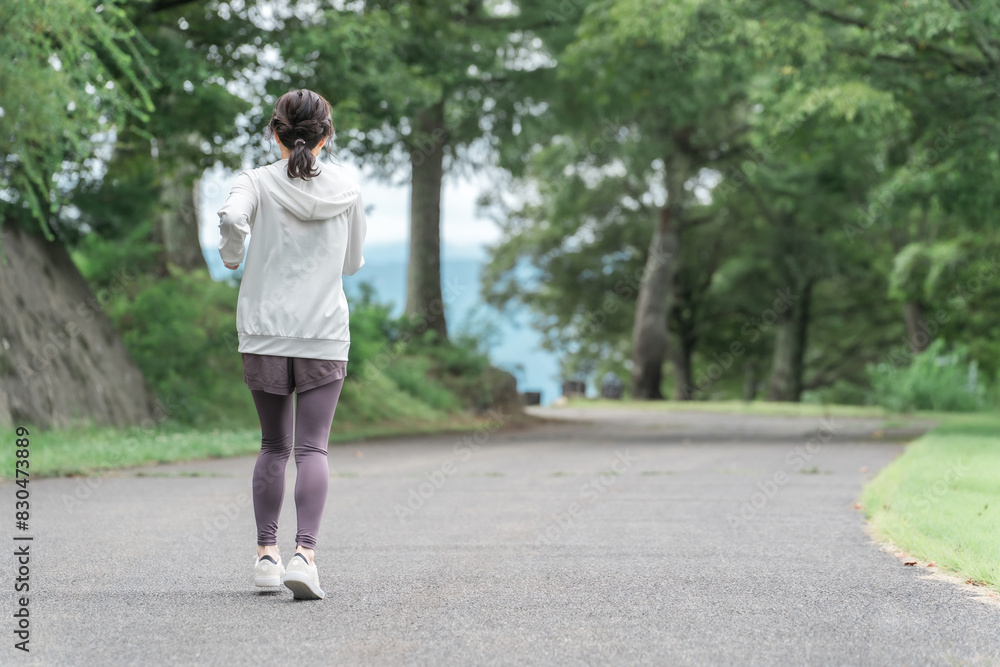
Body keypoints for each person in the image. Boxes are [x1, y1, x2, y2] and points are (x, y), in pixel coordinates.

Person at [217, 89, 367, 600]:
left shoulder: (254, 181)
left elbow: (232, 219)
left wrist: (234, 253)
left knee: (273, 446)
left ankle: (265, 557)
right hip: (324, 331)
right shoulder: (346, 189)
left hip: (264, 331)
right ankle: (305, 555)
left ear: (273, 133)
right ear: (327, 135)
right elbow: (351, 264)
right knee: (312, 447)